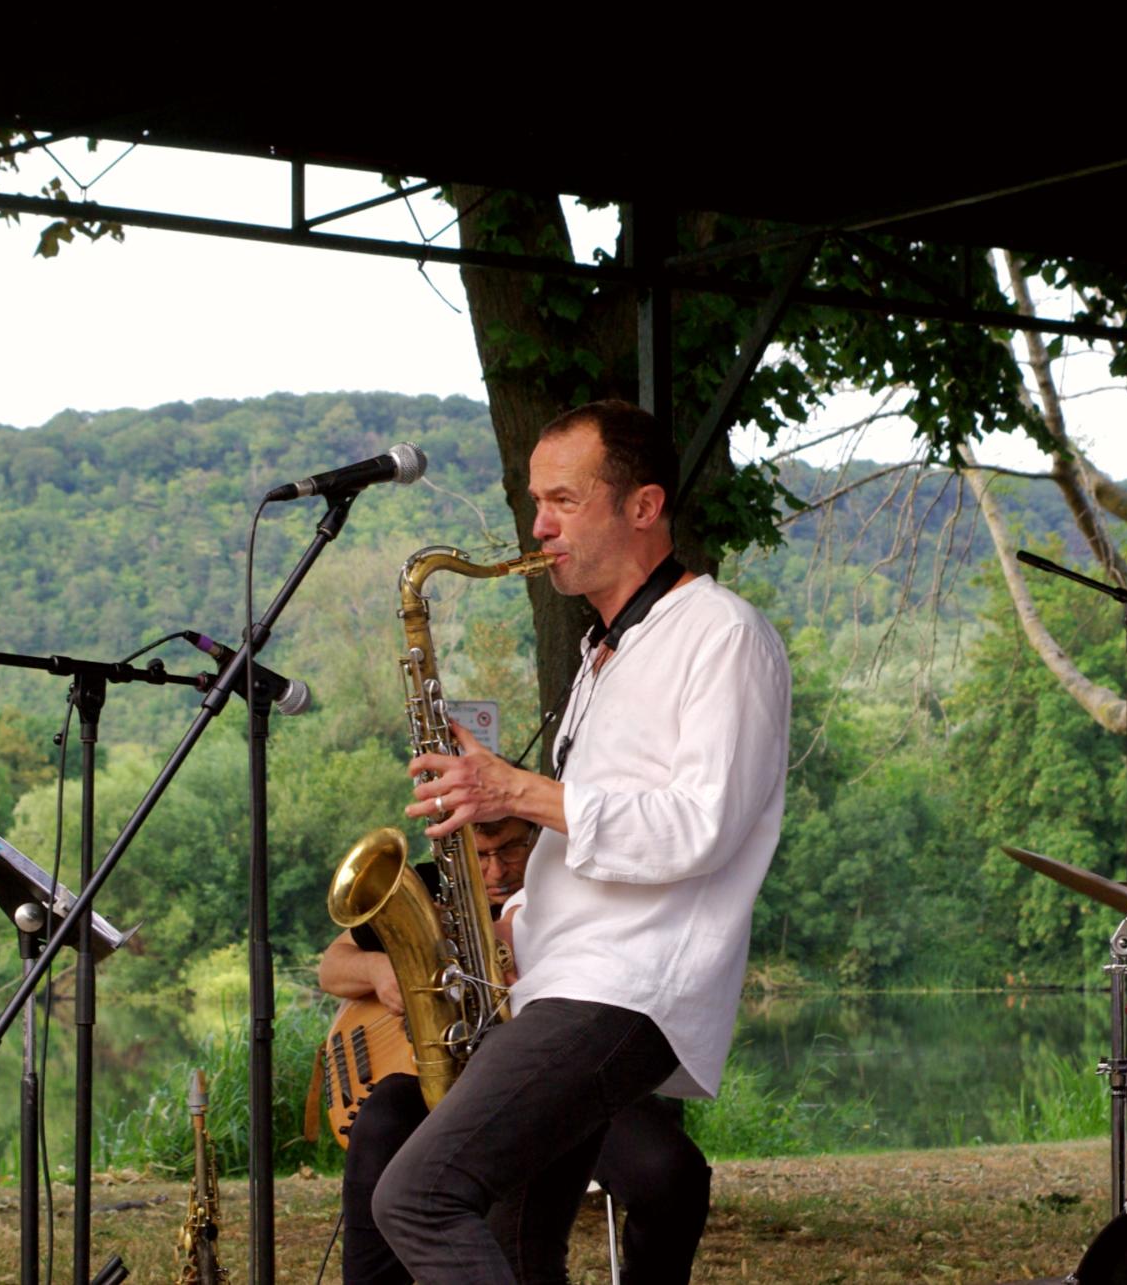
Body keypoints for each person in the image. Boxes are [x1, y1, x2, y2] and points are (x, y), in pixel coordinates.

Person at [369, 399, 791, 1284]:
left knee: (418, 1195)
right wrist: (507, 928)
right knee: (519, 1250)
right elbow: (589, 840)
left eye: (563, 500)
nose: (538, 525)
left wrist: (516, 789)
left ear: (643, 506)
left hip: (624, 987)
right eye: (535, 502)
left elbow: (698, 826)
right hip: (561, 981)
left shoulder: (721, 635)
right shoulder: (606, 652)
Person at [318, 815, 711, 1285]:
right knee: (381, 1120)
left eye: (510, 850)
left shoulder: (572, 889)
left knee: (673, 1173)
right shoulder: (429, 886)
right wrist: (381, 970)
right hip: (452, 1074)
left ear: (537, 837)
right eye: (480, 856)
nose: (496, 870)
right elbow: (332, 966)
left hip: (561, 1075)